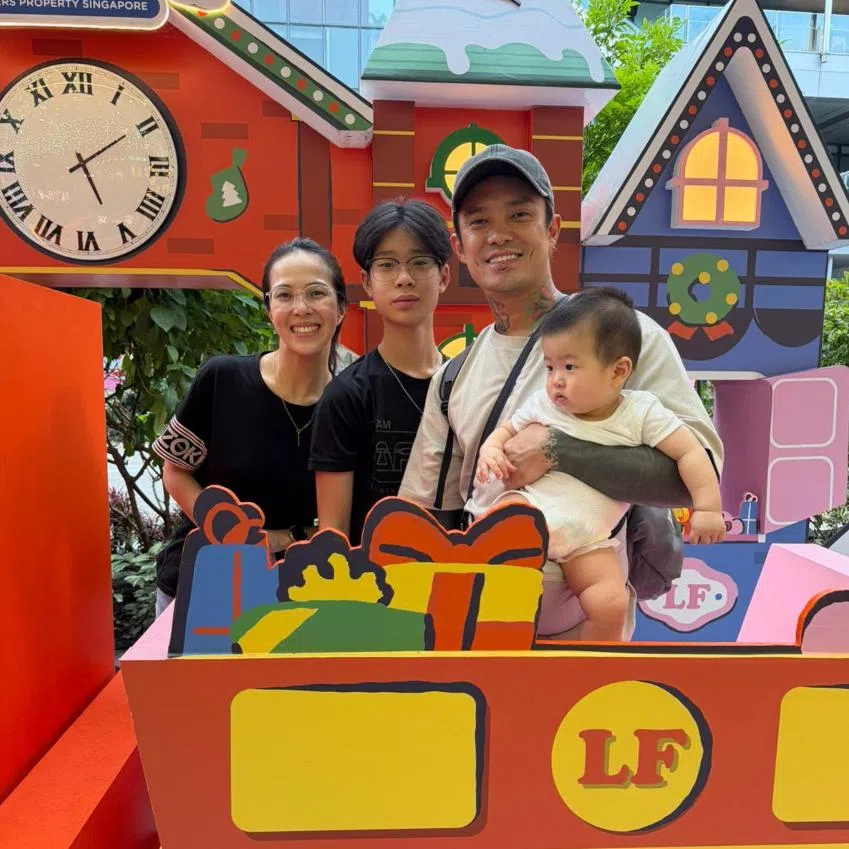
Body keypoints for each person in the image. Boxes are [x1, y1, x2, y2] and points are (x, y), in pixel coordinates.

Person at [399, 144, 724, 640]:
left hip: (586, 647)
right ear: (459, 246)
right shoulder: (453, 376)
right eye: (479, 222)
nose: (498, 234)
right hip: (484, 638)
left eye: (520, 214)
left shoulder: (625, 338)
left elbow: (694, 474)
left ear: (552, 230)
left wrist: (557, 450)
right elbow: (432, 507)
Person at [473, 287, 726, 641]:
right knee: (498, 533)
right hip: (530, 510)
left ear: (618, 371)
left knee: (610, 603)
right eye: (550, 367)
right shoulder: (544, 404)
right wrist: (491, 451)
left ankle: (592, 663)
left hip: (588, 539)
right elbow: (505, 431)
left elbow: (692, 454)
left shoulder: (642, 412)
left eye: (570, 366)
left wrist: (708, 508)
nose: (556, 379)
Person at [151, 238, 348, 616]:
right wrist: (239, 538)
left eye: (316, 293)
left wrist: (290, 539)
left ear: (340, 308)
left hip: (295, 595)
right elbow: (175, 472)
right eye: (285, 295)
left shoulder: (348, 404)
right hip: (199, 585)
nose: (301, 308)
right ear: (269, 308)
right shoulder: (222, 379)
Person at [309, 199, 450, 545]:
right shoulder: (347, 396)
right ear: (368, 282)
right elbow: (334, 536)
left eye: (419, 262)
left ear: (444, 275)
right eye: (387, 265)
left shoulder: (466, 383)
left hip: (461, 585)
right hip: (374, 588)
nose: (404, 278)